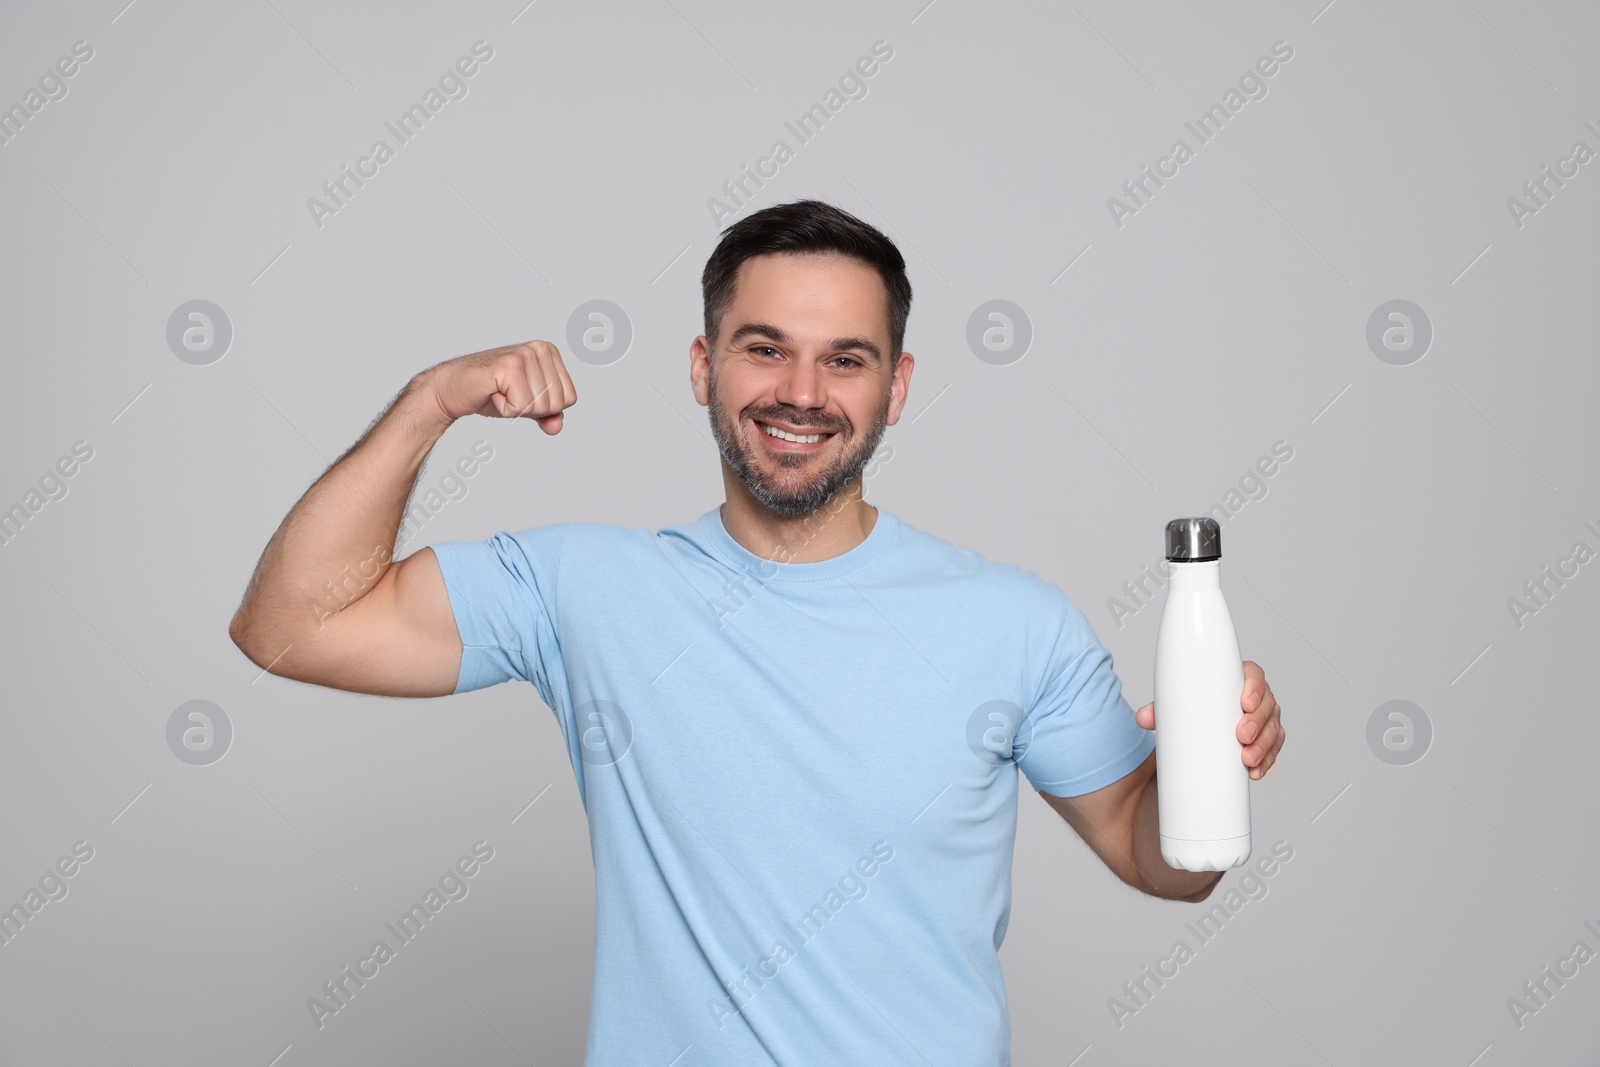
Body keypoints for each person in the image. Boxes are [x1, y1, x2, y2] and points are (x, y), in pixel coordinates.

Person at [228, 199, 1285, 1065]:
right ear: (703, 367)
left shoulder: (1012, 622)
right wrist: (430, 401)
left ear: (897, 388)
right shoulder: (588, 588)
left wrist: (1211, 764)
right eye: (764, 349)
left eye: (846, 360)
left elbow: (1164, 862)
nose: (799, 393)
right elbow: (288, 627)